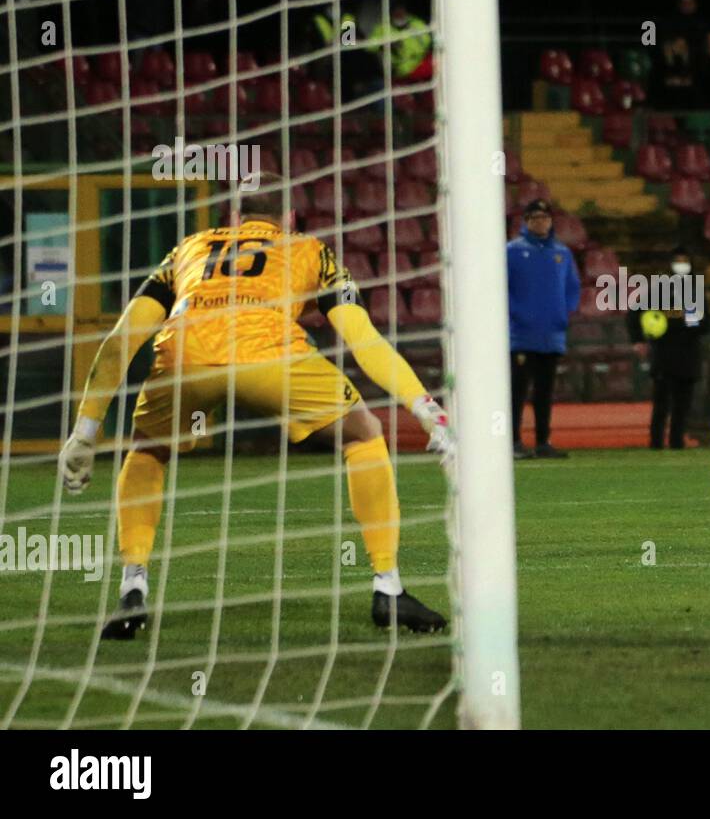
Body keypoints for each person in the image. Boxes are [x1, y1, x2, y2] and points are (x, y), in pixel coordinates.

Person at [57, 178, 451, 639]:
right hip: (270, 356)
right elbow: (362, 339)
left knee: (147, 450)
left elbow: (121, 339)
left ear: (232, 220)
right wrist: (425, 408)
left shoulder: (190, 248)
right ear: (287, 219)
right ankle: (388, 588)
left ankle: (133, 587)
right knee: (363, 434)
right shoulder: (307, 249)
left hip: (188, 355)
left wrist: (85, 431)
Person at [508, 199, 581, 460]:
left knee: (545, 392)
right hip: (521, 335)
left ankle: (542, 441)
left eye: (545, 217)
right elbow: (501, 288)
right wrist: (516, 315)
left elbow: (572, 288)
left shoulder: (561, 253)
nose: (541, 222)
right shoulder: (512, 251)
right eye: (535, 217)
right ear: (526, 222)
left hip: (551, 335)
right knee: (517, 391)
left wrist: (563, 313)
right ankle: (513, 441)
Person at [626, 248, 710, 449]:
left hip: (688, 353)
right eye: (677, 261)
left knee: (683, 403)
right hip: (664, 353)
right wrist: (638, 339)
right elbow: (633, 315)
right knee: (661, 403)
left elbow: (707, 323)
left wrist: (691, 326)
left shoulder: (695, 290)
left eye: (684, 260)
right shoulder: (659, 290)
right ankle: (655, 443)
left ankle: (677, 441)